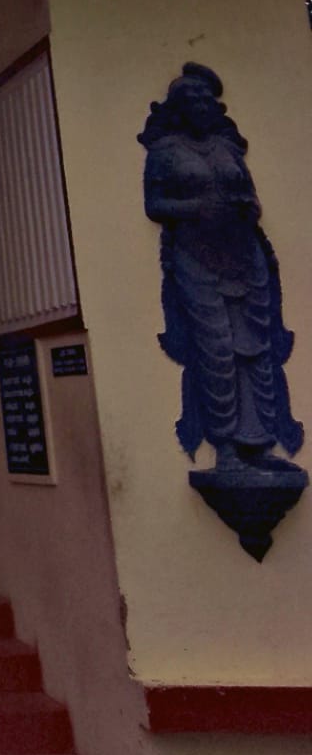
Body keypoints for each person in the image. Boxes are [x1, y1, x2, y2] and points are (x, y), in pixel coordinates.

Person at [140, 63, 302, 474]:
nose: (201, 108)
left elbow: (250, 197)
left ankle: (258, 442)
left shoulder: (227, 150)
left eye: (206, 101)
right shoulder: (165, 153)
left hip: (244, 258)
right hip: (196, 260)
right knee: (215, 349)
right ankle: (226, 445)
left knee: (255, 349)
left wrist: (245, 208)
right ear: (179, 110)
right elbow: (155, 206)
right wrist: (196, 208)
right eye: (191, 102)